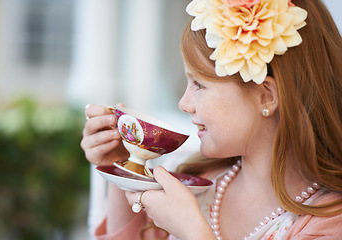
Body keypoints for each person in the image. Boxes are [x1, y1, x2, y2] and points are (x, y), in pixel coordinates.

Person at [81, 0, 342, 239]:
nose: (184, 104)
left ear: (266, 97)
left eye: (199, 85)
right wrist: (123, 166)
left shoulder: (329, 221)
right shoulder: (192, 184)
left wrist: (193, 231)